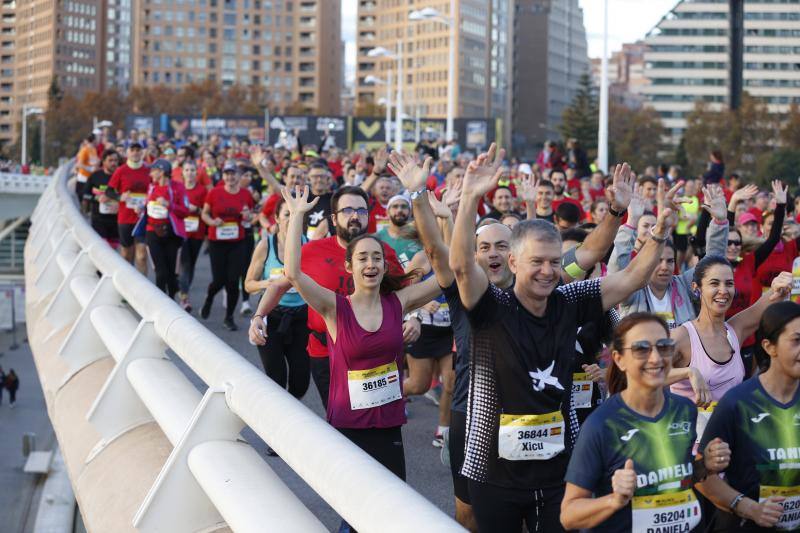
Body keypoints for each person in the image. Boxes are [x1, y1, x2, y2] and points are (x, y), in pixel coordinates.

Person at [449, 143, 676, 532]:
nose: (547, 271)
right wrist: (470, 196)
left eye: (554, 262)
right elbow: (458, 264)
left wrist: (657, 234)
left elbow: (628, 280)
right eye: (537, 261)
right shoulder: (492, 306)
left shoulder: (568, 299)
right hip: (493, 470)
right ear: (514, 262)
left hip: (557, 469)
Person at [280, 184, 441, 487]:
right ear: (349, 265)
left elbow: (448, 272)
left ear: (385, 264)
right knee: (355, 506)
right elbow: (293, 274)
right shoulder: (334, 308)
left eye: (377, 258)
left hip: (389, 422)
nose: (371, 264)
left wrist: (436, 211)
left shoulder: (400, 303)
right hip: (349, 425)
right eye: (363, 258)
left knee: (393, 501)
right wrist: (298, 218)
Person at [561, 312, 731, 532]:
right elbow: (569, 515)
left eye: (664, 346)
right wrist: (614, 500)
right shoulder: (601, 424)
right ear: (619, 359)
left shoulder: (684, 409)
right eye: (642, 349)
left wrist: (704, 465)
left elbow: (679, 476)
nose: (655, 358)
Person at [248, 185, 410, 410]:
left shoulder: (383, 253)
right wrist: (259, 316)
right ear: (334, 219)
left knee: (374, 415)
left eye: (362, 211)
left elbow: (404, 295)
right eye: (348, 210)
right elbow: (280, 285)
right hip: (326, 351)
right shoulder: (313, 251)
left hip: (372, 351)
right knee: (339, 417)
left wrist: (413, 319)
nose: (355, 216)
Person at [696, 301, 800, 532]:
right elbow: (700, 476)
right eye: (796, 340)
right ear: (769, 346)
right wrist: (749, 508)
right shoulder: (737, 403)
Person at [669, 256, 792, 432]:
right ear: (697, 289)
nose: (723, 290)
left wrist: (780, 284)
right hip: (692, 450)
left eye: (729, 284)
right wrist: (689, 372)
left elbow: (770, 300)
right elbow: (644, 375)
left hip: (731, 441)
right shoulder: (682, 337)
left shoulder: (735, 330)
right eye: (714, 283)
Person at [611, 183, 730, 327]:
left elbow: (713, 266)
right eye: (658, 261)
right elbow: (616, 272)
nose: (664, 267)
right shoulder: (634, 291)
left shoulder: (685, 285)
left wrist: (719, 222)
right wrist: (632, 221)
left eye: (670, 261)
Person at [245, 195, 310, 403]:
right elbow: (249, 284)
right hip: (271, 316)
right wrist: (271, 284)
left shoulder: (309, 245)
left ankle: (291, 408)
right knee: (276, 379)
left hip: (301, 318)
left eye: (296, 214)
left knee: (301, 382)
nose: (292, 219)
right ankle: (284, 421)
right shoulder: (266, 245)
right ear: (277, 218)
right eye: (287, 214)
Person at [200, 162, 255, 330]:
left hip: (237, 241)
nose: (230, 177)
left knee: (233, 281)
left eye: (233, 174)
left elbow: (250, 216)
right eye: (227, 174)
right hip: (217, 242)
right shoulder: (214, 193)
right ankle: (209, 298)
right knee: (219, 280)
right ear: (223, 176)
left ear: (238, 176)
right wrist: (212, 222)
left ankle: (229, 317)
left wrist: (247, 216)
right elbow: (204, 214)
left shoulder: (246, 194)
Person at [141, 159, 188, 297]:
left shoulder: (177, 187)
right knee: (160, 272)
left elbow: (185, 211)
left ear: (161, 172)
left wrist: (169, 204)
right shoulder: (151, 187)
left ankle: (172, 300)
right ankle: (160, 304)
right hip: (152, 232)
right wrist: (141, 209)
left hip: (171, 233)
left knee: (171, 273)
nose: (150, 173)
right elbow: (148, 206)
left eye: (153, 170)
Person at [107, 143, 150, 275]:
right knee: (126, 255)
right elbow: (109, 191)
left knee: (142, 255)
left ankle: (143, 289)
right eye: (133, 150)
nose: (136, 153)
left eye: (138, 150)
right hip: (125, 218)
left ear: (142, 152)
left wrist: (149, 199)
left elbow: (155, 189)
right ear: (127, 153)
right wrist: (120, 197)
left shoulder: (148, 170)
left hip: (143, 218)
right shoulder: (121, 170)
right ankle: (127, 286)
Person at [177, 160, 208, 312]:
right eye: (187, 170)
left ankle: (184, 289)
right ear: (182, 173)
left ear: (197, 173)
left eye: (192, 170)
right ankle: (184, 296)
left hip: (197, 232)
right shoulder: (178, 189)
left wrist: (197, 209)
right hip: (181, 232)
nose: (189, 173)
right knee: (185, 263)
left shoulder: (202, 191)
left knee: (191, 264)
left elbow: (207, 212)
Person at [82, 149, 121, 248]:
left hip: (116, 220)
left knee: (113, 250)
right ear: (103, 162)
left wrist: (117, 198)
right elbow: (85, 195)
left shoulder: (122, 177)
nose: (113, 163)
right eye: (110, 160)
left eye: (116, 160)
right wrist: (97, 198)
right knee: (102, 248)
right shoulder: (95, 176)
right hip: (99, 220)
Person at [75, 133, 100, 201]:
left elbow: (93, 161)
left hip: (90, 178)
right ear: (94, 140)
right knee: (84, 197)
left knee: (90, 198)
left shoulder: (93, 149)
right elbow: (79, 164)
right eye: (97, 139)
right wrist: (90, 169)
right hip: (83, 178)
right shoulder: (85, 150)